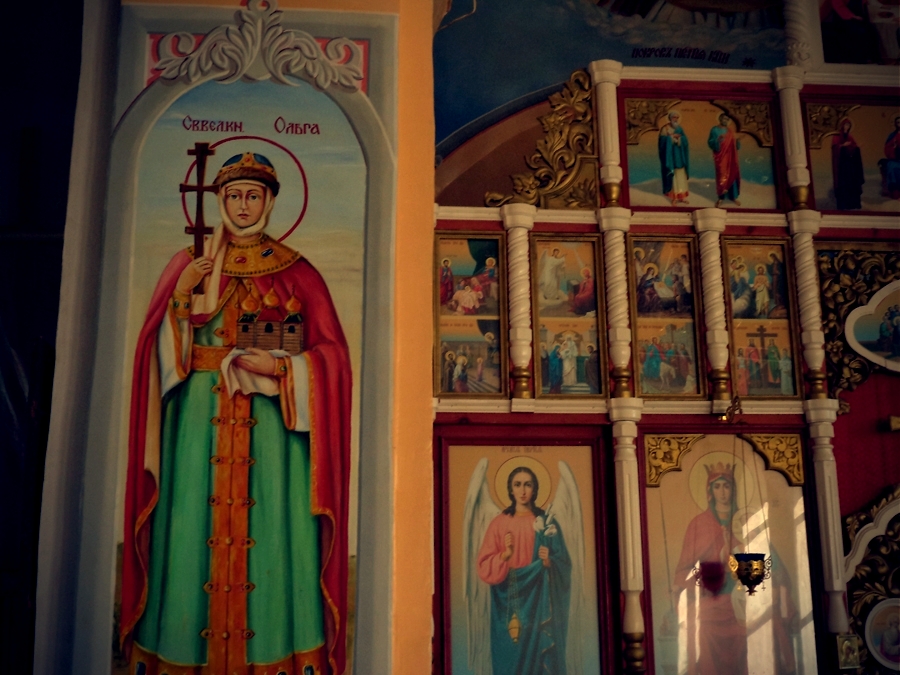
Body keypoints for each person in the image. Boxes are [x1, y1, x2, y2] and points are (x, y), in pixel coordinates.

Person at [121, 153, 351, 674]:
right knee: (189, 532)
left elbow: (333, 357)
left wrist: (283, 367)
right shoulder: (189, 264)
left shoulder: (297, 271)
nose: (243, 205)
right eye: (233, 196)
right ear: (220, 201)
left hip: (273, 433)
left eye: (253, 195)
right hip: (194, 428)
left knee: (273, 535)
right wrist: (182, 296)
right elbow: (157, 355)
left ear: (269, 201)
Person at [477, 467, 572, 675]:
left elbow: (564, 563)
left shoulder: (547, 522)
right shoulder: (500, 523)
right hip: (508, 602)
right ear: (510, 489)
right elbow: (483, 565)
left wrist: (549, 561)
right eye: (517, 484)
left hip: (539, 602)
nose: (522, 490)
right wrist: (504, 555)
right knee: (509, 659)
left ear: (535, 489)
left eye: (528, 484)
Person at [673, 463, 748, 675]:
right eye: (717, 486)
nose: (722, 492)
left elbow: (763, 567)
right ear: (709, 491)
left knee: (747, 630)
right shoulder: (698, 525)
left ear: (734, 489)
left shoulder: (745, 520)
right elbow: (683, 571)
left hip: (740, 598)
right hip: (709, 597)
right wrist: (704, 579)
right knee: (701, 627)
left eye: (727, 486)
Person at [708, 113, 741, 207]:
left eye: (727, 119)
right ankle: (721, 198)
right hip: (721, 157)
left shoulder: (730, 131)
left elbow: (736, 146)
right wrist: (718, 140)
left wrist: (737, 140)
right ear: (720, 119)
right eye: (724, 118)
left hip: (731, 157)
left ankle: (733, 197)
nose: (726, 120)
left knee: (732, 174)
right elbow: (710, 142)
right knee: (722, 176)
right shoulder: (714, 130)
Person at [831, 118, 865, 210]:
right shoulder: (837, 137)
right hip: (842, 167)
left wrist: (857, 147)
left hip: (851, 166)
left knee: (853, 183)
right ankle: (844, 205)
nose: (847, 127)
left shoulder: (850, 137)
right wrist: (842, 146)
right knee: (844, 185)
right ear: (842, 126)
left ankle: (854, 204)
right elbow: (835, 148)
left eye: (848, 125)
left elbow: (853, 147)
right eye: (846, 125)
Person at [658, 110, 690, 205]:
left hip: (679, 156)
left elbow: (685, 141)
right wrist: (671, 138)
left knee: (681, 176)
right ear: (670, 118)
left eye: (677, 118)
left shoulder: (679, 128)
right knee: (673, 176)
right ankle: (674, 197)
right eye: (674, 117)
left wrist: (679, 139)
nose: (675, 119)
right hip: (670, 158)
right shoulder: (665, 129)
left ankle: (682, 196)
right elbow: (662, 143)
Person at [884, 115, 900, 200]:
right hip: (895, 160)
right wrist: (893, 148)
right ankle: (895, 191)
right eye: (898, 122)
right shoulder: (892, 135)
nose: (899, 124)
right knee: (891, 167)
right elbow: (887, 148)